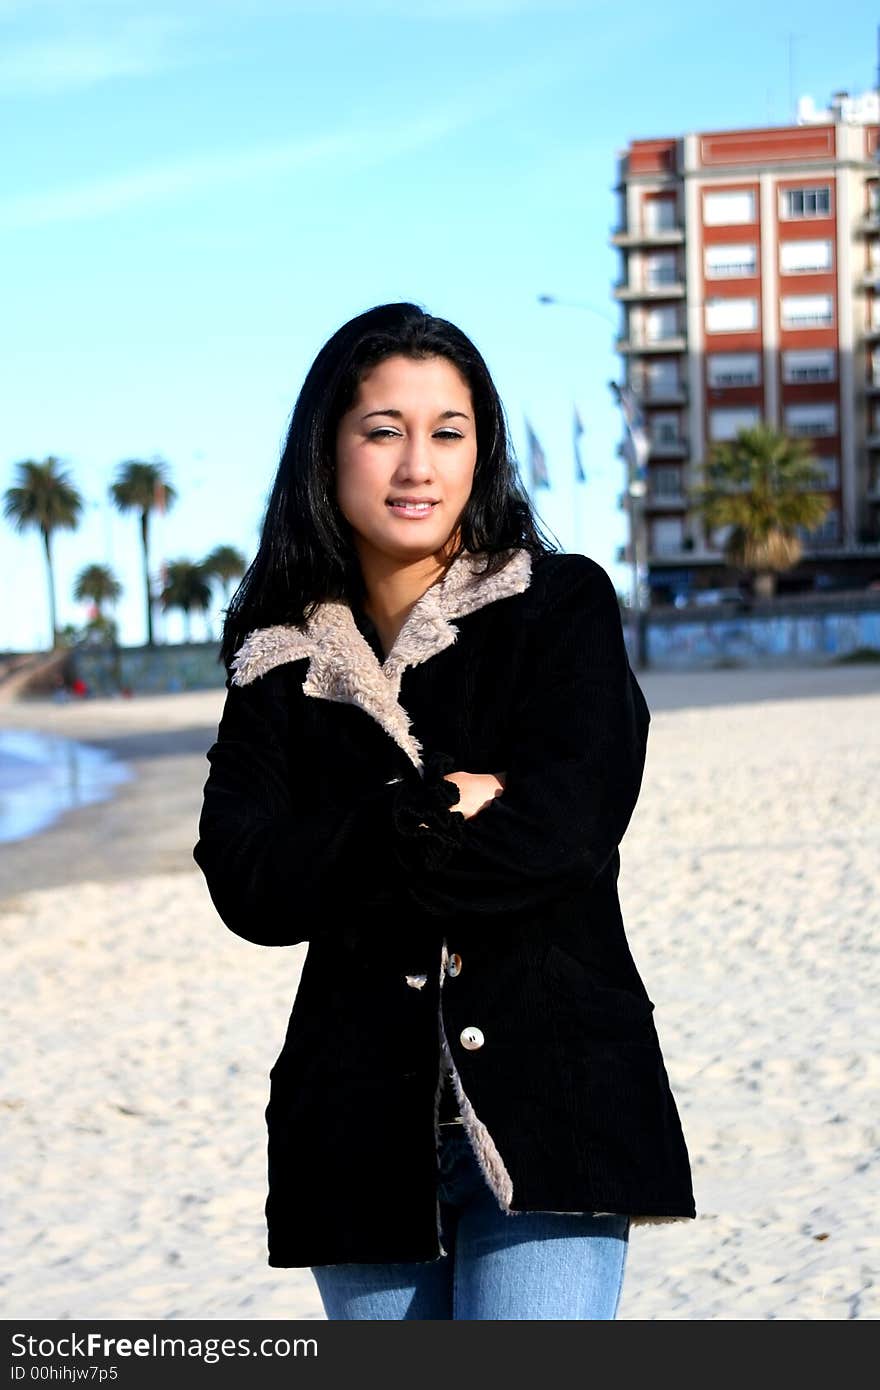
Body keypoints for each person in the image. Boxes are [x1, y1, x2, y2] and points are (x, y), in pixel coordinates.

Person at [192, 302, 696, 1321]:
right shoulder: (275, 657)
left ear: (483, 451)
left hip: (555, 1101)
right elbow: (246, 883)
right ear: (326, 450)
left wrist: (339, 851)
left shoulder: (559, 606)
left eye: (448, 431)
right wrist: (426, 808)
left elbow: (562, 829)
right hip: (353, 1132)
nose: (417, 463)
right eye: (383, 430)